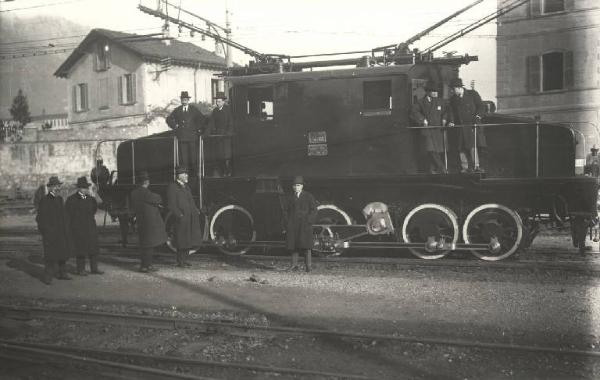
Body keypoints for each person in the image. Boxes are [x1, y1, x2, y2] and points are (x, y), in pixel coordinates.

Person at [36, 176, 72, 284]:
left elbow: (64, 216)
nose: (57, 188)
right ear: (50, 187)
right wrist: (46, 231)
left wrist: (66, 228)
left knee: (62, 253)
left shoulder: (59, 199)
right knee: (50, 256)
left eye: (58, 186)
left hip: (61, 232)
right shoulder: (44, 200)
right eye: (55, 186)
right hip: (50, 233)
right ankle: (48, 277)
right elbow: (40, 218)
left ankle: (63, 273)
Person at [65, 176, 104, 276]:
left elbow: (98, 206)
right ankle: (80, 269)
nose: (85, 189)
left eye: (86, 187)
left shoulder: (90, 199)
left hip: (90, 226)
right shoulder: (71, 200)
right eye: (83, 187)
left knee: (93, 248)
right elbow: (68, 215)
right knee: (80, 249)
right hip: (78, 228)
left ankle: (94, 268)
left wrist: (95, 193)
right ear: (78, 188)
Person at [447, 77, 487, 173]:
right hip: (460, 126)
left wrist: (477, 117)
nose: (452, 91)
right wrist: (451, 121)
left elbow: (481, 106)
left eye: (453, 89)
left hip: (472, 125)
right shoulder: (453, 99)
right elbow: (451, 111)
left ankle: (476, 167)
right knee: (461, 147)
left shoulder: (473, 94)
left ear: (459, 88)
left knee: (473, 146)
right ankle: (464, 167)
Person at [130, 171, 167, 273]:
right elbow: (158, 199)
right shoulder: (146, 193)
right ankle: (146, 266)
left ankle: (146, 265)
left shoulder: (134, 193)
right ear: (146, 182)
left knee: (144, 245)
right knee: (149, 246)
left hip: (141, 221)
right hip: (149, 223)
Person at [166, 166, 202, 267]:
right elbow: (171, 204)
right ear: (179, 175)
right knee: (181, 239)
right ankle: (180, 261)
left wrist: (195, 210)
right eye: (184, 174)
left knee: (187, 239)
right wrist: (179, 215)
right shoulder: (172, 186)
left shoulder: (186, 187)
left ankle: (185, 259)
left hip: (189, 217)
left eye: (186, 173)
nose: (187, 175)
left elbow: (191, 201)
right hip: (181, 217)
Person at [410, 81, 448, 174]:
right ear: (427, 92)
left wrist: (445, 118)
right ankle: (442, 169)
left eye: (436, 91)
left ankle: (433, 171)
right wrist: (422, 120)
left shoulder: (440, 101)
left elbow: (447, 111)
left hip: (438, 130)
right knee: (431, 150)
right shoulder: (421, 102)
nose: (435, 93)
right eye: (433, 91)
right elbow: (414, 112)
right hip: (427, 130)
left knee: (436, 151)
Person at [166, 91, 207, 174]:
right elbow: (168, 119)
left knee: (193, 157)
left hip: (192, 137)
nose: (184, 101)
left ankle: (195, 174)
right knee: (184, 158)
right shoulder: (177, 110)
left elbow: (202, 119)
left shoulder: (193, 109)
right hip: (182, 137)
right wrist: (175, 126)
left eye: (186, 99)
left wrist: (197, 128)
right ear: (181, 100)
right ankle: (185, 174)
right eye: (183, 99)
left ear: (188, 100)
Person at [285, 176, 317, 272]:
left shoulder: (309, 196)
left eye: (298, 185)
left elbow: (314, 210)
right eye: (294, 185)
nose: (296, 187)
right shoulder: (290, 198)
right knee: (294, 246)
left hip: (305, 225)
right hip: (293, 225)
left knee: (306, 246)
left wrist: (309, 221)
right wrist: (288, 222)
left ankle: (308, 266)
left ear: (302, 186)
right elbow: (286, 211)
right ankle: (294, 265)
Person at [207, 92, 234, 176]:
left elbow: (231, 123)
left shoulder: (228, 110)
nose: (217, 103)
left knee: (226, 155)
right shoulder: (215, 111)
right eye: (216, 101)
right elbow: (211, 123)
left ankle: (228, 171)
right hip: (217, 136)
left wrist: (228, 132)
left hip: (225, 136)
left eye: (219, 101)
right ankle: (221, 171)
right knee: (219, 155)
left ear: (223, 102)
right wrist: (206, 133)